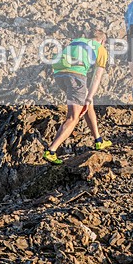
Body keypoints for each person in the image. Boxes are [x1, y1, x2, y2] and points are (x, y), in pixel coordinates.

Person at [43, 31, 110, 164]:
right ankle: (51, 151)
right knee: (73, 117)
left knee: (87, 103)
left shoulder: (77, 41)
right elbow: (97, 77)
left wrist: (88, 98)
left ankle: (98, 140)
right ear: (103, 41)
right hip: (76, 77)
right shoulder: (100, 49)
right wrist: (89, 97)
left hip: (59, 76)